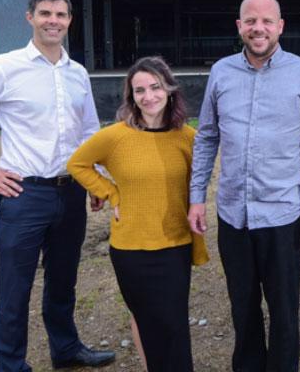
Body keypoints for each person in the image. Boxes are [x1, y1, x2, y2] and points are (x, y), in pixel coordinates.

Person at [0, 0, 116, 371]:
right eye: (46, 13)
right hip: (24, 194)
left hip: (70, 192)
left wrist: (96, 179)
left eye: (61, 15)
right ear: (29, 17)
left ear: (69, 21)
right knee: (14, 289)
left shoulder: (77, 73)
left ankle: (65, 349)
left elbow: (88, 132)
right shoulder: (5, 67)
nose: (54, 20)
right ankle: (11, 365)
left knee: (63, 281)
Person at [188, 0, 300, 372]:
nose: (259, 28)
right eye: (250, 21)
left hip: (283, 217)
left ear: (280, 26)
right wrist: (196, 197)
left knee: (285, 310)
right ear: (239, 26)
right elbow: (206, 137)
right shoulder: (221, 72)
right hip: (233, 216)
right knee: (242, 306)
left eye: (267, 21)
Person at [67, 56, 208, 372]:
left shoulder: (187, 137)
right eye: (140, 90)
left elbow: (200, 181)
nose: (149, 97)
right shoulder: (115, 136)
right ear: (132, 97)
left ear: (169, 90)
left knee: (173, 322)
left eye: (155, 87)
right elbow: (77, 163)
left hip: (174, 244)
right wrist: (109, 192)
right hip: (131, 248)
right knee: (145, 317)